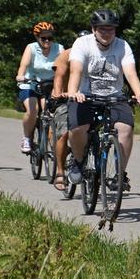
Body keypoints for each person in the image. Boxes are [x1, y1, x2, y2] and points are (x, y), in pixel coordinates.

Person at [66, 9, 140, 189]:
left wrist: (139, 92)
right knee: (79, 128)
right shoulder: (82, 43)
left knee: (125, 128)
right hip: (85, 96)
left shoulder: (122, 46)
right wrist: (73, 91)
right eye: (102, 29)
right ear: (94, 29)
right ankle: (78, 161)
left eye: (110, 29)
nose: (106, 33)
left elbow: (130, 72)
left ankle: (120, 175)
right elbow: (76, 71)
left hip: (114, 97)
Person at [50, 30, 91, 191]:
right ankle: (60, 172)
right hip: (66, 98)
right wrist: (60, 93)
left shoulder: (95, 55)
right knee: (64, 132)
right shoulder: (65, 55)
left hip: (88, 98)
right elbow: (59, 76)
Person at [15, 22, 64, 153]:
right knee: (33, 110)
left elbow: (64, 68)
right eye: (43, 38)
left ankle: (53, 143)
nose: (47, 41)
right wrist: (20, 75)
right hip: (29, 84)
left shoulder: (59, 49)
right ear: (37, 38)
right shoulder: (31, 48)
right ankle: (26, 137)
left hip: (49, 85)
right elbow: (23, 65)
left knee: (50, 113)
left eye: (50, 38)